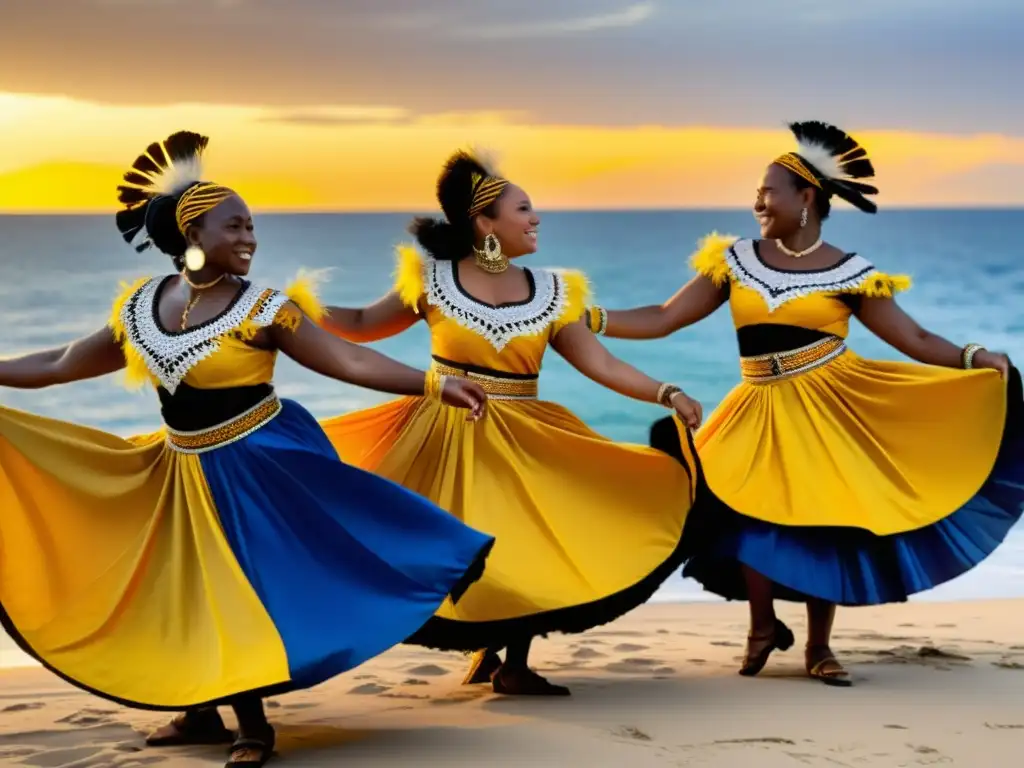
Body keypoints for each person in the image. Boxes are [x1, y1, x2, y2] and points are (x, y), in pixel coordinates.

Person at [0, 131, 496, 767]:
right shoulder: (141, 308)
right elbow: (63, 361)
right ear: (193, 234)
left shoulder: (264, 308)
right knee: (188, 589)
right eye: (234, 226)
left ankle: (253, 727)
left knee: (245, 590)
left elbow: (345, 357)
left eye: (253, 227)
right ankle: (201, 712)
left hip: (258, 465)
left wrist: (432, 381)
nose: (249, 238)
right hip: (180, 467)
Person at [586, 120, 1024, 686]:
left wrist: (972, 357)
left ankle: (819, 646)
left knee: (823, 524)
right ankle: (762, 625)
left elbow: (914, 340)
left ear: (806, 197)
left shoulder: (851, 273)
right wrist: (588, 318)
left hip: (832, 407)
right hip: (757, 405)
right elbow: (664, 317)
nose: (757, 201)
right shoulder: (735, 260)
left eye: (769, 191)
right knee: (744, 511)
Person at [316, 149, 703, 696]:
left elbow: (601, 363)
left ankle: (512, 663)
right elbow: (359, 324)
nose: (536, 218)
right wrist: (289, 307)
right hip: (443, 434)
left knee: (525, 544)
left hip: (524, 439)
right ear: (484, 222)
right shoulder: (431, 281)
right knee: (456, 545)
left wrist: (668, 392)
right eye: (524, 208)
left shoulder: (553, 291)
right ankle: (483, 651)